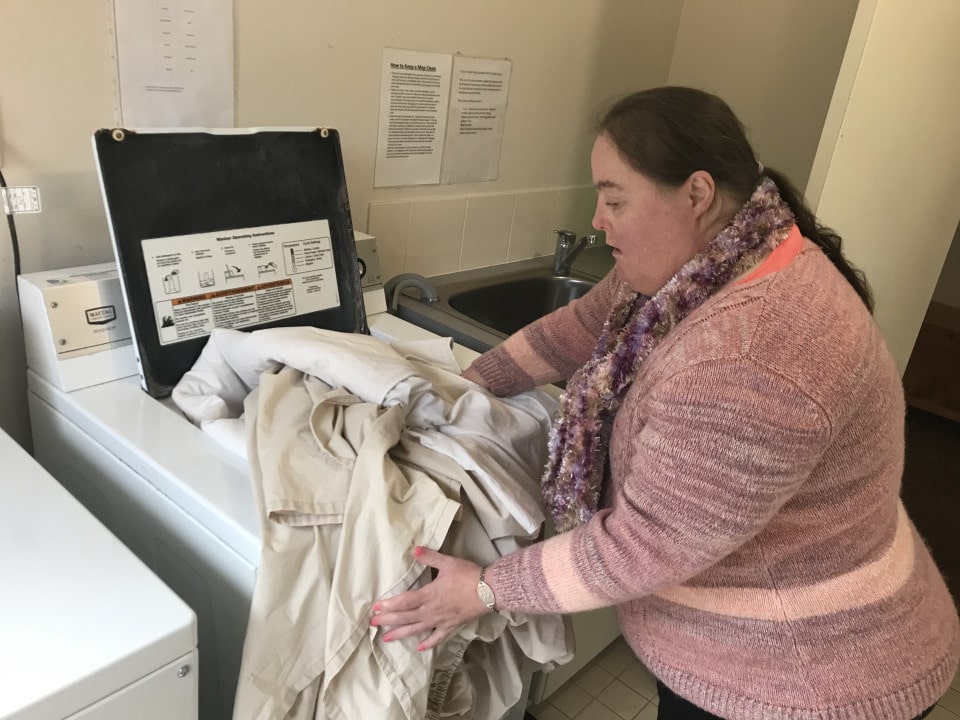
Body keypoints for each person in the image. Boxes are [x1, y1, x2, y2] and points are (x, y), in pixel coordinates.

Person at [372, 86, 960, 720]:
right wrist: (457, 394)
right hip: (767, 642)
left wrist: (487, 589)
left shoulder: (751, 356)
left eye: (614, 198)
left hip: (802, 678)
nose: (598, 218)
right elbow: (572, 331)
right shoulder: (717, 257)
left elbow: (643, 544)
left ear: (697, 193)